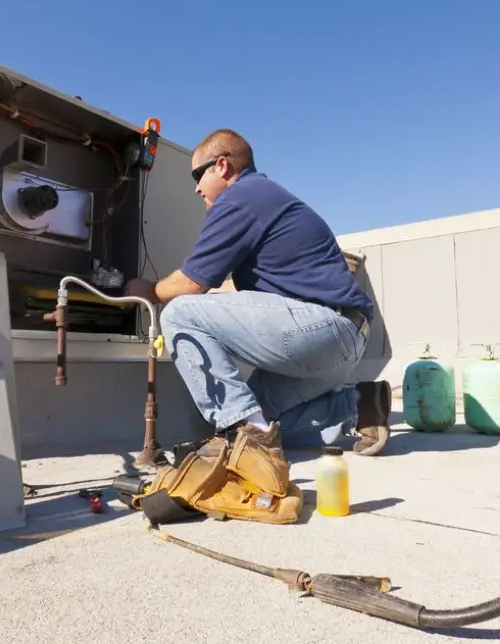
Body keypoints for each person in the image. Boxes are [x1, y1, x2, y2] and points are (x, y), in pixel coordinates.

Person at [124, 129, 391, 462]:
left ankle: (245, 434)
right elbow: (232, 293)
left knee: (179, 313)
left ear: (221, 166)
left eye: (198, 175)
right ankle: (358, 404)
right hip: (344, 339)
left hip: (323, 330)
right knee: (263, 417)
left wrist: (148, 290)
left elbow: (192, 284)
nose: (196, 187)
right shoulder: (264, 198)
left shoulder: (240, 197)